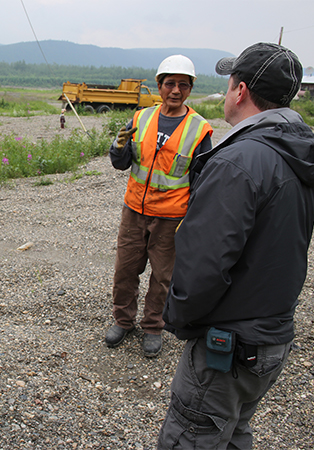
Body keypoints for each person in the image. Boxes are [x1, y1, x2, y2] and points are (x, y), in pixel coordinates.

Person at [157, 43, 314, 449]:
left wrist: (177, 317)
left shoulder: (238, 162)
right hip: (271, 338)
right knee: (231, 433)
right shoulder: (299, 152)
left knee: (192, 437)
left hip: (227, 344)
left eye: (229, 84)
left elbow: (203, 266)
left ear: (240, 91)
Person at [105, 55, 213, 357]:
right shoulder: (141, 118)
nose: (175, 90)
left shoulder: (199, 129)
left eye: (182, 85)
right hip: (134, 212)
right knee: (125, 270)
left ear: (190, 89)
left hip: (171, 217)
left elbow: (202, 181)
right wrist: (118, 146)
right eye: (169, 84)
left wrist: (192, 220)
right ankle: (123, 321)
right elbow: (121, 163)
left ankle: (153, 326)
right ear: (159, 86)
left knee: (162, 277)